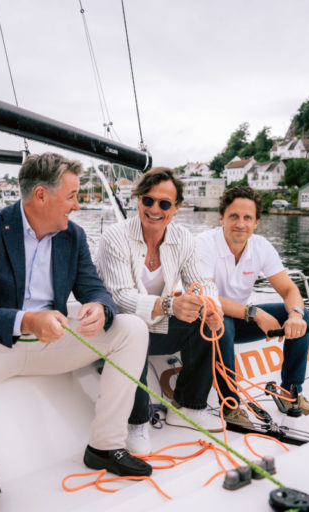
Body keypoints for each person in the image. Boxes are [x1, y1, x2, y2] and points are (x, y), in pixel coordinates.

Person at [0, 153, 151, 512]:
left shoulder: (74, 236)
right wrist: (27, 321)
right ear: (41, 195)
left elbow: (95, 289)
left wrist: (99, 307)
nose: (77, 204)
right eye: (71, 196)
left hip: (53, 344)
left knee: (132, 327)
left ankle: (104, 446)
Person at [96, 167, 224, 455]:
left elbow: (202, 282)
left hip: (155, 324)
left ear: (176, 208)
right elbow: (120, 296)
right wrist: (168, 305)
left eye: (164, 204)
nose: (155, 209)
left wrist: (211, 306)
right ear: (138, 200)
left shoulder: (183, 238)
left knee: (204, 319)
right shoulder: (115, 237)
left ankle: (189, 408)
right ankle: (136, 422)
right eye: (148, 200)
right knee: (134, 328)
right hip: (116, 329)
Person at [196, 185, 309, 421]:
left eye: (247, 218)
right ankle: (230, 405)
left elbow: (289, 290)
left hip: (240, 318)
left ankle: (290, 393)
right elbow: (207, 297)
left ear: (256, 223)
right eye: (233, 216)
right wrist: (256, 314)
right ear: (221, 218)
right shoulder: (204, 243)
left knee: (303, 315)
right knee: (221, 323)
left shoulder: (260, 246)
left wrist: (295, 315)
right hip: (205, 319)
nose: (240, 223)